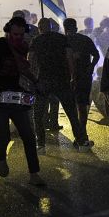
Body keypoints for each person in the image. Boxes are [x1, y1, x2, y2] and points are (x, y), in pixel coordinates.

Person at [0, 17, 43, 183]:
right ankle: (1, 159)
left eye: (21, 34)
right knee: (3, 136)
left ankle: (34, 173)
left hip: (14, 96)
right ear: (8, 31)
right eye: (15, 34)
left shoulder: (22, 47)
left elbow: (22, 69)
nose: (18, 38)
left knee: (28, 135)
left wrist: (35, 81)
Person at [29, 17, 90, 151]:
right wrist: (72, 76)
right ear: (50, 27)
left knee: (38, 114)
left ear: (39, 28)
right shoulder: (62, 39)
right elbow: (69, 58)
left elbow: (31, 61)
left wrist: (33, 79)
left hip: (43, 80)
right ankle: (81, 142)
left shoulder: (36, 40)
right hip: (62, 80)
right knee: (72, 113)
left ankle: (40, 144)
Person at [63, 17, 100, 131]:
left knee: (74, 105)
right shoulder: (85, 39)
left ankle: (79, 132)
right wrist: (91, 67)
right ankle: (81, 131)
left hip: (70, 77)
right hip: (83, 76)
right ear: (76, 27)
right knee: (82, 105)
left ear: (65, 29)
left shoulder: (63, 41)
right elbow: (96, 55)